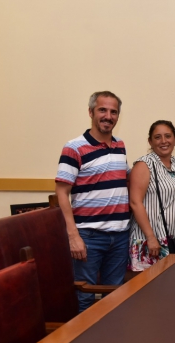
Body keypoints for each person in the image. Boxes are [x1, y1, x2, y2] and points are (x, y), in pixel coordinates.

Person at [55, 91, 129, 312]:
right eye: (102, 110)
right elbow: (61, 193)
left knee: (115, 296)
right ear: (91, 112)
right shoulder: (74, 147)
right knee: (84, 297)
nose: (108, 116)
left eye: (113, 111)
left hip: (120, 235)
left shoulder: (120, 145)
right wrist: (73, 236)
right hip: (88, 236)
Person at [128, 120, 175, 271]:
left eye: (168, 136)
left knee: (174, 290)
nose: (163, 141)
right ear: (150, 141)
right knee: (150, 292)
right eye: (157, 137)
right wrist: (151, 237)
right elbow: (135, 202)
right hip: (152, 242)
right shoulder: (144, 164)